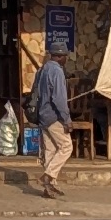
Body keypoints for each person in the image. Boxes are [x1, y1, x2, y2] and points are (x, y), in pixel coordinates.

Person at [30, 40, 73, 199]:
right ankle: (48, 176)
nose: (66, 59)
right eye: (65, 56)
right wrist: (67, 119)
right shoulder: (57, 71)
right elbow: (59, 99)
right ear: (60, 56)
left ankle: (50, 187)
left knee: (50, 150)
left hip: (42, 115)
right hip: (53, 116)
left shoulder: (42, 70)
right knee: (66, 146)